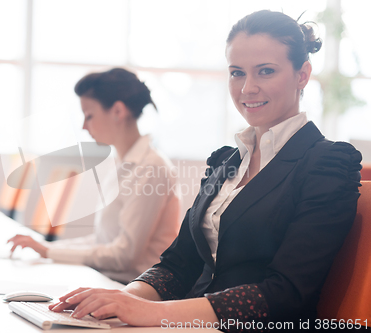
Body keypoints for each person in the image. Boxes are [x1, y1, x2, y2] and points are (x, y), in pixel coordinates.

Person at [47, 10, 362, 331]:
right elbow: (177, 265)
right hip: (189, 323)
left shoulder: (327, 163)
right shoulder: (226, 162)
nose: (247, 88)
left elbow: (285, 294)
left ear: (303, 75)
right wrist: (119, 300)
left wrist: (149, 313)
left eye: (265, 71)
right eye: (237, 73)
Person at [8, 68, 182, 284]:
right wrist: (48, 248)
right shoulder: (123, 163)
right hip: (109, 280)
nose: (83, 126)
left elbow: (124, 256)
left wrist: (48, 251)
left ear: (118, 111)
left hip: (132, 290)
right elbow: (103, 242)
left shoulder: (151, 168)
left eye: (89, 115)